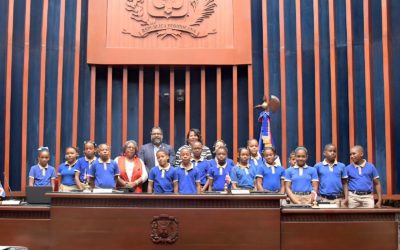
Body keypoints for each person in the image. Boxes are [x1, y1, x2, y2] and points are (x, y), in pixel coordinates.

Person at [138, 127, 175, 192]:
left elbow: (172, 163)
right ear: (151, 135)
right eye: (154, 134)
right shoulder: (143, 148)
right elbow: (141, 164)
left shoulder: (169, 148)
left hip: (167, 181)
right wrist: (153, 174)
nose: (156, 135)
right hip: (148, 181)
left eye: (158, 134)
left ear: (162, 136)